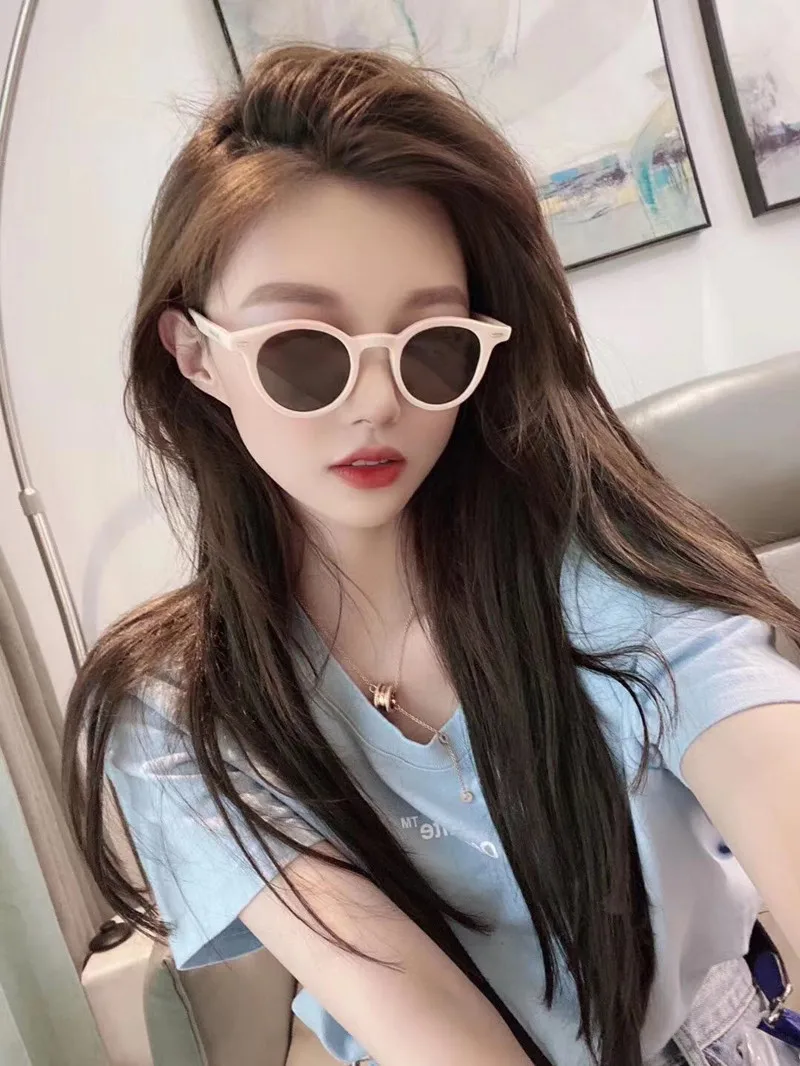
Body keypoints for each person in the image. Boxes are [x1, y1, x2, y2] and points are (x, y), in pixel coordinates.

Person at [62, 44, 800, 1066]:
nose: (378, 402)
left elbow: (763, 756)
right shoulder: (181, 713)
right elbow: (422, 1023)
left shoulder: (596, 561)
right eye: (304, 351)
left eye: (431, 347)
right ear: (196, 356)